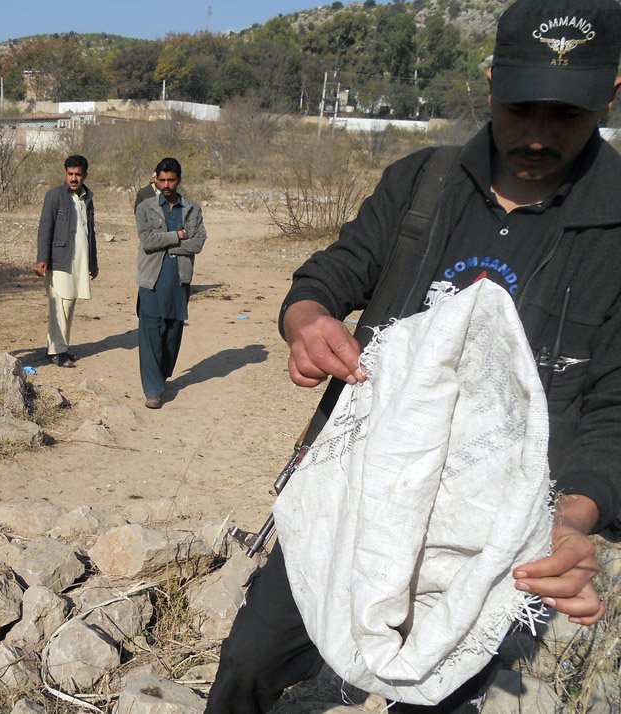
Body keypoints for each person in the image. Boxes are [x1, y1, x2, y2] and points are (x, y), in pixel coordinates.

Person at [208, 0, 621, 710]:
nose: (538, 136)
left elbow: (615, 409)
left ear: (611, 93)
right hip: (362, 491)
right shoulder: (421, 183)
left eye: (567, 115)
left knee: (437, 693)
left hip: (497, 529)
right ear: (490, 83)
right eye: (521, 109)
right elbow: (332, 275)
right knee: (251, 659)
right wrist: (306, 320)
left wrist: (573, 520)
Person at [134, 158, 207, 409]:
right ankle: (152, 390)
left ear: (179, 180)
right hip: (152, 280)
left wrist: (167, 244)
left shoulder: (192, 209)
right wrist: (176, 235)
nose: (166, 185)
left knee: (172, 333)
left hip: (179, 280)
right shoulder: (146, 207)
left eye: (171, 180)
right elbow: (147, 241)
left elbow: (198, 243)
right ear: (156, 179)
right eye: (162, 180)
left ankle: (162, 374)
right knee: (150, 333)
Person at [35, 155, 98, 368]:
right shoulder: (54, 196)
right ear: (65, 174)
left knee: (69, 304)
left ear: (84, 175)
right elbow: (45, 228)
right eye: (70, 174)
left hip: (79, 260)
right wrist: (42, 258)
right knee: (60, 303)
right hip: (59, 259)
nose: (74, 178)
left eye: (78, 174)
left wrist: (93, 262)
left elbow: (90, 232)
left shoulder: (87, 198)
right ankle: (57, 351)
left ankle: (60, 346)